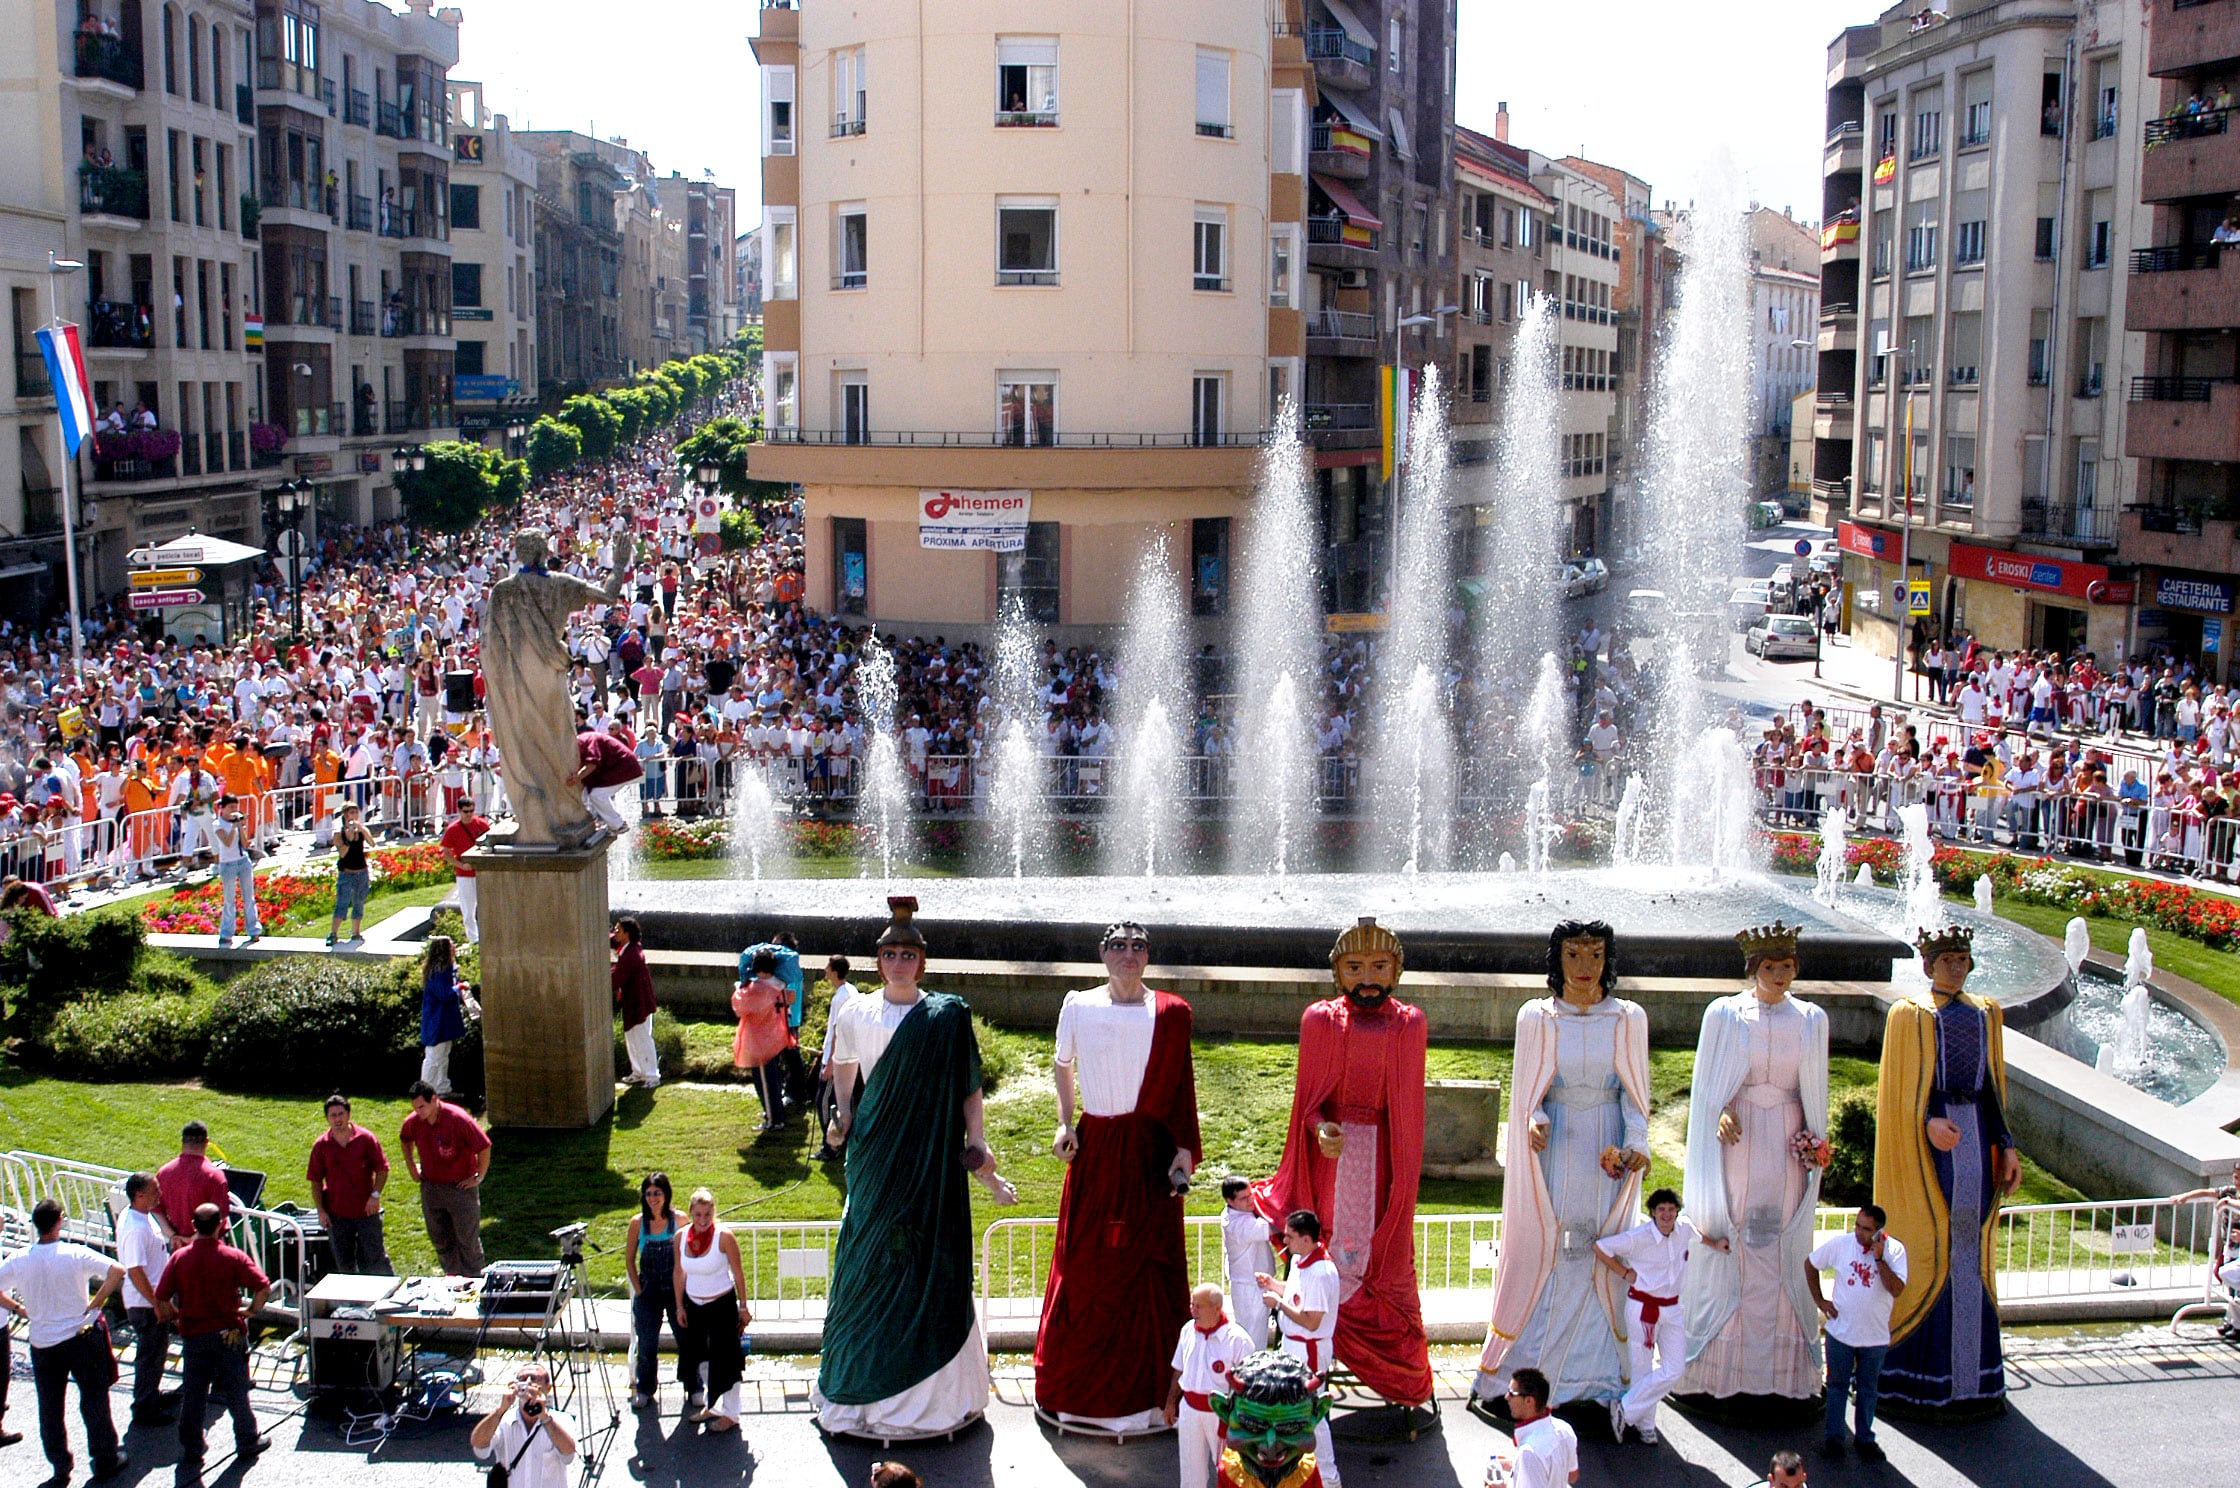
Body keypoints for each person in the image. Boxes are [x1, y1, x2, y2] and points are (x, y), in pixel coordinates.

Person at [814, 896, 1019, 1438]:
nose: (899, 962)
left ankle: (934, 1397)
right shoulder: (856, 1011)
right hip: (877, 1154)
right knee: (868, 1253)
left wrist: (980, 1148)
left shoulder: (947, 1015)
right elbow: (844, 1066)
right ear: (878, 960)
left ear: (921, 962)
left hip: (931, 1156)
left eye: (909, 954)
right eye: (891, 954)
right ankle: (863, 1385)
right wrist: (843, 1116)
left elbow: (969, 1087)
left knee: (932, 1254)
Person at [1250, 918, 1434, 1414]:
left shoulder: (1409, 1023)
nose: (1366, 978)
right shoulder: (1321, 1020)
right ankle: (1306, 1348)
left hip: (1381, 1159)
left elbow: (1408, 1111)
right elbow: (1307, 1104)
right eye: (1355, 968)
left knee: (1377, 1249)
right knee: (1323, 1239)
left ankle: (1390, 1364)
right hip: (1331, 1160)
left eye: (1378, 967)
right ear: (1337, 973)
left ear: (1396, 971)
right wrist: (1318, 1129)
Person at [1036, 921, 1202, 1432]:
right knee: (1087, 1265)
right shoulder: (1078, 1005)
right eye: (1118, 946)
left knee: (1149, 1268)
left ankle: (1155, 1398)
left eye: (1137, 946)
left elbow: (1180, 1085)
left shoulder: (1172, 1011)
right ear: (1103, 954)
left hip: (1149, 1154)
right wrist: (1065, 1122)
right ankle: (1080, 1393)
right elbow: (1062, 1065)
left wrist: (1181, 1151)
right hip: (1100, 1145)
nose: (1128, 954)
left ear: (1148, 955)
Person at [1479, 920, 1652, 1412]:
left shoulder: (1627, 1018)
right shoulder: (1537, 1017)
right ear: (1557, 959)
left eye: (1594, 955)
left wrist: (1635, 1141)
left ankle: (1596, 1377)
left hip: (1604, 1145)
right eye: (1573, 954)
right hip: (1553, 1148)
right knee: (1551, 1246)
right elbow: (1528, 1090)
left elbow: (1634, 1093)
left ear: (1607, 960)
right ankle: (1531, 1371)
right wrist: (1533, 1118)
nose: (1583, 967)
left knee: (1595, 1246)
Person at [1679, 921, 1831, 1413]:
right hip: (1740, 1136)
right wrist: (1720, 1108)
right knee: (1740, 1230)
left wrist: (1813, 1142)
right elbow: (1707, 1086)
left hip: (1787, 1136)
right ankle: (1724, 1369)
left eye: (1787, 966)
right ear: (1753, 969)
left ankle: (1783, 1376)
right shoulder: (1724, 1014)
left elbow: (1813, 1089)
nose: (1779, 975)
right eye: (1770, 967)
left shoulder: (1811, 1019)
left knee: (1781, 1232)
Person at [1875, 924, 2016, 1419]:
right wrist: (1927, 1120)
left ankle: (1973, 1379)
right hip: (1932, 1150)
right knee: (1932, 1245)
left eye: (1962, 959)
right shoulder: (1909, 1017)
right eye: (1946, 960)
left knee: (1969, 1247)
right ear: (1928, 965)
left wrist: (2008, 1146)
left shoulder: (1986, 1014)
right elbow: (1901, 1094)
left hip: (1976, 1135)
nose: (1956, 968)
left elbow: (1993, 1087)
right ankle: (1917, 1377)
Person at [0, 1198, 128, 1481]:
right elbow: (117, 1271)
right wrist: (97, 1301)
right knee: (94, 1399)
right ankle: (105, 1457)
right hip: (80, 1335)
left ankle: (60, 1465)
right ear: (59, 1220)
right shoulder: (75, 1253)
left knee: (50, 1406)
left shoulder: (19, 1259)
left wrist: (19, 1308)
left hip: (43, 1341)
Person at [1595, 1188, 1724, 1444]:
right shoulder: (1639, 1237)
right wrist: (1624, 1272)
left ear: (1677, 1212)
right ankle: (1646, 1426)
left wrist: (1717, 1244)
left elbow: (1700, 1236)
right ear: (1653, 1212)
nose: (1667, 1215)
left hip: (1673, 1309)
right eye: (1661, 1210)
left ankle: (1625, 1409)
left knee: (1674, 1368)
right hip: (1643, 1308)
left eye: (1671, 1209)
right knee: (1642, 1368)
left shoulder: (1683, 1228)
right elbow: (1600, 1247)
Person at [155, 1202, 272, 1482]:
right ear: (221, 1224)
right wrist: (251, 1311)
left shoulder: (180, 1258)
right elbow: (263, 1287)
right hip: (228, 1333)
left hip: (195, 1335)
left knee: (194, 1393)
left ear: (194, 1226)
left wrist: (176, 1317)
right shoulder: (232, 1256)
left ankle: (192, 1448)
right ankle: (247, 1441)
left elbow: (161, 1298)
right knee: (236, 1390)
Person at [1806, 1204, 1909, 1461]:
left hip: (1874, 1337)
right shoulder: (1841, 1244)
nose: (1859, 1232)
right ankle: (1834, 1438)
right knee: (1837, 1385)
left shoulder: (1895, 1251)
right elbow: (1810, 1263)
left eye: (1866, 1229)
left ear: (1879, 1232)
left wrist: (1879, 1259)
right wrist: (1820, 1301)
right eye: (1857, 1225)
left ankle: (1864, 1438)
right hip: (1841, 1333)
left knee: (1867, 1389)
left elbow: (1896, 1289)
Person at [671, 1187, 750, 1433]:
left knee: (727, 1360)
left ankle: (731, 1413)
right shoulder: (681, 1237)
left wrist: (743, 1306)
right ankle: (712, 1404)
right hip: (694, 1305)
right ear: (692, 1213)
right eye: (698, 1215)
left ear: (713, 1213)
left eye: (707, 1214)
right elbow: (679, 1272)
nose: (703, 1220)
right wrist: (678, 1306)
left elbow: (738, 1273)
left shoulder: (724, 1237)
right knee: (700, 1356)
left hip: (721, 1305)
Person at [1166, 1283, 1256, 1488]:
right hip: (1189, 1411)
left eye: (1199, 1306)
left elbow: (1250, 1385)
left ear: (1217, 1308)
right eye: (1192, 1304)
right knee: (1190, 1472)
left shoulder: (1238, 1340)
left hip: (1221, 1415)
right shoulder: (1187, 1330)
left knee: (1230, 1471)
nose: (1193, 1310)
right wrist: (1171, 1402)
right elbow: (1178, 1369)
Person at [399, 1079, 491, 1275]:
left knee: (468, 1242)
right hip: (431, 1187)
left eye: (422, 1106)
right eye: (415, 1108)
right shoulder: (415, 1122)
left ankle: (476, 1281)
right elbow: (405, 1138)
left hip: (460, 1187)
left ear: (434, 1099)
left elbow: (484, 1146)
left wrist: (479, 1176)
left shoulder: (458, 1119)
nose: (419, 1112)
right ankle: (452, 1279)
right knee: (440, 1239)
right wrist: (411, 1167)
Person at [1207, 1350, 1333, 1488]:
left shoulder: (1306, 1473)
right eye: (1252, 1426)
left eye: (1290, 1428)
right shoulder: (1230, 1472)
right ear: (1223, 1411)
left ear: (1319, 1412)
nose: (1270, 1448)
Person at [306, 1094, 392, 1275]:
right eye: (333, 1115)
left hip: (367, 1212)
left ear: (348, 1114)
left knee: (376, 1258)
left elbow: (382, 1169)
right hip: (337, 1215)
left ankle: (388, 1297)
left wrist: (375, 1196)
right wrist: (321, 1211)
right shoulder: (321, 1146)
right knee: (344, 1263)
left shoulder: (366, 1139)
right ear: (327, 1118)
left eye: (340, 1114)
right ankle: (351, 1301)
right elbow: (315, 1180)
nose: (337, 1119)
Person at [116, 1173, 177, 1423]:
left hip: (148, 1300)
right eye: (154, 1190)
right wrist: (157, 1303)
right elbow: (135, 1270)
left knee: (157, 1351)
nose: (159, 1193)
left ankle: (151, 1394)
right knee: (150, 1356)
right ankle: (144, 1407)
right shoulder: (135, 1228)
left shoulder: (140, 1216)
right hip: (144, 1304)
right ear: (139, 1195)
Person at [470, 1363, 579, 1488]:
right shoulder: (503, 1420)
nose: (528, 1383)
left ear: (548, 1388)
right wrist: (500, 1410)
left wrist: (544, 1416)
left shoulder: (562, 1420)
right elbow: (479, 1446)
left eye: (534, 1379)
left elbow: (568, 1454)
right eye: (522, 1379)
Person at [624, 1173, 681, 1410]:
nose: (653, 1198)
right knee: (647, 1345)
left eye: (657, 1192)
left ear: (666, 1194)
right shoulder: (638, 1223)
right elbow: (629, 1260)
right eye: (648, 1193)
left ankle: (694, 1386)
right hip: (649, 1292)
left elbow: (687, 1255)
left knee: (686, 1339)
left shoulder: (679, 1219)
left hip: (676, 1289)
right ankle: (645, 1389)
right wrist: (639, 1289)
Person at [731, 948, 792, 1129]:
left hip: (761, 1041)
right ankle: (773, 1112)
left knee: (765, 1081)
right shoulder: (779, 984)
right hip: (775, 1037)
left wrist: (738, 988)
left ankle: (774, 1120)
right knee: (773, 1079)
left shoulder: (758, 988)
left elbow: (739, 1006)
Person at [1495, 1367, 1577, 1488]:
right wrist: (1517, 1466)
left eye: (1512, 1393)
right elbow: (1572, 1476)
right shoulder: (1564, 1429)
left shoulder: (1528, 1452)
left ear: (1529, 1401)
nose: (1506, 1397)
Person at [157, 1120, 232, 1250]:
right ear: (207, 1142)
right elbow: (221, 1217)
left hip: (177, 1248)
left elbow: (157, 1210)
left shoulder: (164, 1172)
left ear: (183, 1142)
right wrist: (192, 1240)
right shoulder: (214, 1176)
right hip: (209, 1249)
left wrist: (173, 1236)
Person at [1222, 1175, 1276, 1342]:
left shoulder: (1236, 1212)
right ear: (1230, 1200)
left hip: (1253, 1283)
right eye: (1244, 1198)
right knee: (1252, 1338)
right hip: (1249, 1288)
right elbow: (1275, 1227)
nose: (1250, 1201)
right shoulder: (1238, 1225)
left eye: (1251, 1195)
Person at [418, 936, 471, 1096]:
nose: (454, 947)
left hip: (444, 1021)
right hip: (437, 1021)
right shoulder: (438, 972)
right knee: (434, 1058)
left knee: (443, 1056)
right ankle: (425, 1091)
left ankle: (441, 1089)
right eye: (451, 945)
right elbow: (444, 994)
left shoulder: (445, 969)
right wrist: (460, 986)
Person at [612, 917, 660, 1089]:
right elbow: (613, 940)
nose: (615, 933)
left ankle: (652, 1076)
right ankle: (638, 1072)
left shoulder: (631, 955)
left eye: (618, 930)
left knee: (642, 1039)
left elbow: (616, 978)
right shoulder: (632, 947)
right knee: (632, 1038)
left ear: (627, 934)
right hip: (634, 1002)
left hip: (639, 1003)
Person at [211, 794, 260, 945]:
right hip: (228, 864)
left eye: (235, 807)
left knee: (249, 897)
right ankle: (226, 933)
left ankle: (254, 930)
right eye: (231, 807)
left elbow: (244, 844)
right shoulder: (217, 824)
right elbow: (226, 842)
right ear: (223, 808)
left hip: (242, 861)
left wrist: (240, 827)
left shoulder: (236, 823)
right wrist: (233, 826)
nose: (234, 811)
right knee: (229, 900)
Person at [438, 798, 489, 943]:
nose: (469, 814)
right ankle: (474, 940)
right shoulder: (453, 829)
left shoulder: (482, 824)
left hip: (481, 872)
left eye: (472, 811)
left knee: (486, 908)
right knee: (468, 911)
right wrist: (460, 865)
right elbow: (446, 853)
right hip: (465, 875)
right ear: (460, 811)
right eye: (466, 811)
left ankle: (487, 937)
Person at [327, 801, 371, 946]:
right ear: (345, 815)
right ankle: (333, 933)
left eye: (355, 813)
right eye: (351, 813)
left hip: (361, 872)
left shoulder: (361, 830)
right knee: (342, 902)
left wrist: (362, 830)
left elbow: (372, 843)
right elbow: (343, 854)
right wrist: (349, 839)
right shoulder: (339, 833)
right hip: (347, 873)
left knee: (359, 902)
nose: (354, 816)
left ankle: (356, 932)